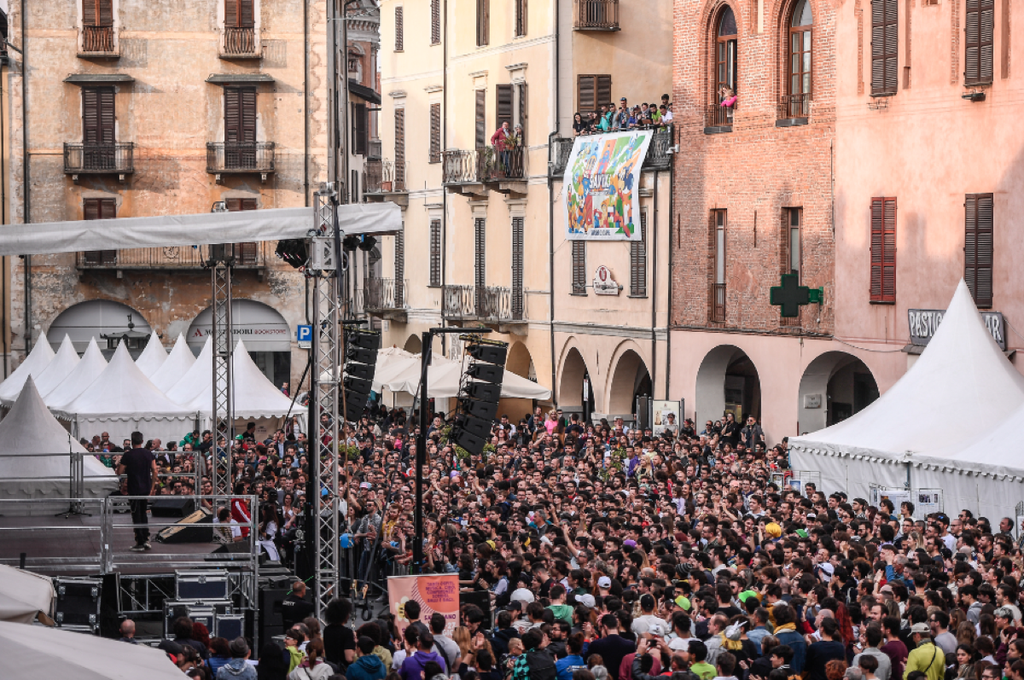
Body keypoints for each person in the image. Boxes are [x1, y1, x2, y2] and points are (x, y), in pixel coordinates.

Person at [117, 430, 157, 551]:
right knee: (143, 513)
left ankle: (140, 541)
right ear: (142, 441)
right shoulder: (148, 454)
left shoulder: (128, 455)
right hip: (146, 487)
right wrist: (152, 487)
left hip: (134, 487)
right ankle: (146, 539)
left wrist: (119, 462)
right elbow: (155, 470)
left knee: (136, 514)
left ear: (131, 441)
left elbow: (119, 472)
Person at [323, 597, 356, 671]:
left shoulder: (327, 630)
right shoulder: (347, 633)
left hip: (330, 667)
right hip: (343, 669)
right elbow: (349, 658)